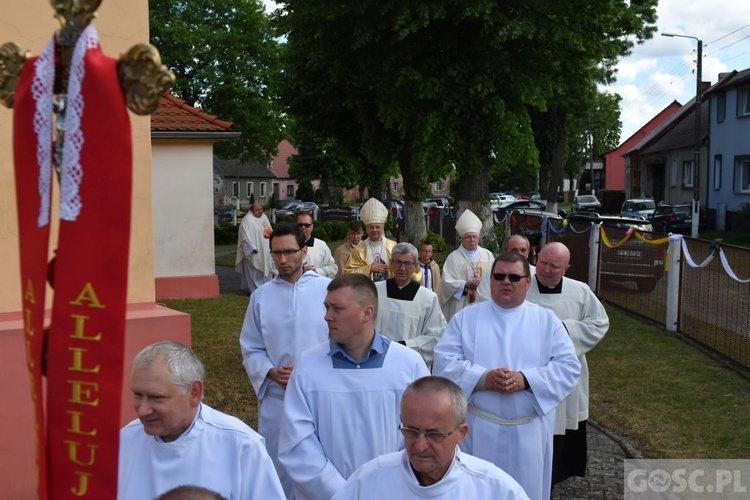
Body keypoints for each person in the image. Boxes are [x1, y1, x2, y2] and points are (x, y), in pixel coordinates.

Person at [433, 252, 581, 500]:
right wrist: (482, 379)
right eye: (499, 276)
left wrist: (526, 380)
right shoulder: (466, 318)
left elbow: (568, 367)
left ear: (528, 282)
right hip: (478, 431)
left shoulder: (546, 321)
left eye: (514, 277)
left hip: (528, 432)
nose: (506, 282)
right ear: (490, 280)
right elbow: (444, 362)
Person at [278, 274, 430, 500]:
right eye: (326, 307)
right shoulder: (308, 366)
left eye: (337, 308)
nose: (327, 317)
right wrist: (343, 493)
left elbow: (423, 434)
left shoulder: (407, 364)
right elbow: (297, 442)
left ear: (367, 313)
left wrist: (388, 487)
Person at [118, 341, 285, 500]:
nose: (142, 410)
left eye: (157, 397)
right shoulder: (124, 441)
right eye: (138, 395)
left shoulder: (241, 446)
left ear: (194, 393)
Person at [239, 224, 331, 498]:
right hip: (279, 398)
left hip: (320, 395)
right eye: (276, 253)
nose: (282, 260)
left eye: (289, 252)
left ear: (304, 251)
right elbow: (251, 346)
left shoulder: (327, 291)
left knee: (319, 465)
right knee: (277, 465)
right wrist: (269, 372)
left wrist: (311, 371)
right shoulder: (260, 297)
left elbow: (341, 342)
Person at [332, 376, 529, 500]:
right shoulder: (370, 479)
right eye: (411, 430)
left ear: (461, 433)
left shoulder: (494, 489)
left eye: (434, 434)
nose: (420, 446)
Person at [525, 241, 609, 487]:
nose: (546, 270)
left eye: (554, 266)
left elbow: (599, 323)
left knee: (561, 429)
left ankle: (553, 478)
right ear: (536, 258)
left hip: (566, 375)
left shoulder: (580, 291)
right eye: (542, 262)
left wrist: (562, 330)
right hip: (529, 373)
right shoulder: (522, 285)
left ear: (567, 268)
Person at [374, 242, 446, 368]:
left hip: (410, 364)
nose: (402, 268)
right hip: (378, 359)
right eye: (398, 262)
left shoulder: (428, 298)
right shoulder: (375, 292)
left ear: (416, 266)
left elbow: (436, 335)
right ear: (391, 264)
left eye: (407, 263)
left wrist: (404, 345)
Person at [438, 209, 494, 322]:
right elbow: (446, 282)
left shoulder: (487, 255)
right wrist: (465, 284)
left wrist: (483, 283)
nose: (472, 239)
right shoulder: (453, 257)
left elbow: (495, 276)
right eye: (468, 237)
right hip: (461, 304)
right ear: (462, 239)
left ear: (478, 238)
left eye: (474, 236)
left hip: (483, 302)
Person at [344, 197, 397, 281]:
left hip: (389, 289)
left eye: (377, 227)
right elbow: (348, 273)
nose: (374, 230)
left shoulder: (393, 246)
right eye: (371, 227)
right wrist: (369, 268)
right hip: (367, 291)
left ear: (383, 227)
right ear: (366, 229)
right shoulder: (359, 249)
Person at [476, 233, 532, 302]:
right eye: (514, 250)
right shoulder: (493, 274)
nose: (519, 254)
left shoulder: (536, 274)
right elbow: (482, 299)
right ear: (505, 252)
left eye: (523, 250)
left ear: (528, 253)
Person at [235, 203, 274, 293]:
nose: (260, 212)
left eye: (261, 209)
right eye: (257, 210)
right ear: (252, 211)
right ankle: (256, 290)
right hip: (253, 252)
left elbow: (269, 230)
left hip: (266, 249)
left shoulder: (264, 217)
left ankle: (267, 289)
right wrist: (251, 248)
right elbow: (244, 237)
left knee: (267, 268)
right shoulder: (247, 220)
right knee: (254, 271)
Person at [296, 212, 337, 277]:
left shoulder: (321, 245)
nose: (303, 227)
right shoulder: (287, 245)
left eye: (307, 225)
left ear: (312, 227)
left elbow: (333, 267)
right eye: (300, 225)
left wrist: (316, 271)